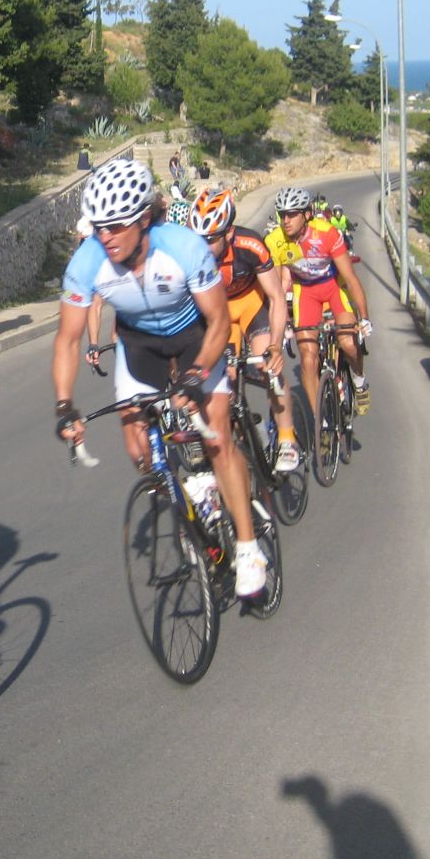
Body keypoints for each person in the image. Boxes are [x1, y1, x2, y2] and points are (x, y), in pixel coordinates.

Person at [52, 158, 269, 599]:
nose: (105, 237)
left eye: (116, 226)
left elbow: (219, 321)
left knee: (216, 437)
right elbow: (67, 340)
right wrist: (64, 404)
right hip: (139, 346)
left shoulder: (182, 247)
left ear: (144, 219)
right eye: (99, 227)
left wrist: (196, 374)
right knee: (141, 452)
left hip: (194, 337)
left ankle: (248, 548)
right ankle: (195, 499)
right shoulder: (88, 260)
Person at [188, 187, 300, 473]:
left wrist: (275, 346)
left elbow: (276, 297)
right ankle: (248, 435)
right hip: (220, 314)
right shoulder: (190, 253)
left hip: (251, 305)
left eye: (210, 239)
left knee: (268, 368)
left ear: (228, 233)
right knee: (225, 382)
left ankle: (287, 438)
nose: (202, 246)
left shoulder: (250, 244)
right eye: (198, 238)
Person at [265, 186, 373, 417]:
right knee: (308, 359)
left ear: (307, 214)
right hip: (305, 293)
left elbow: (351, 279)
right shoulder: (275, 241)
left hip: (333, 287)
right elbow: (279, 290)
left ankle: (358, 379)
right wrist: (282, 326)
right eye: (282, 214)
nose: (286, 220)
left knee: (348, 343)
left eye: (292, 214)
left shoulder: (326, 233)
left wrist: (364, 318)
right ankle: (320, 421)